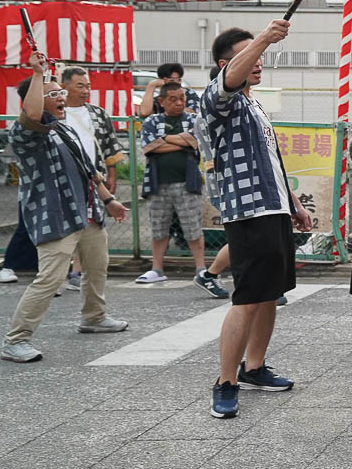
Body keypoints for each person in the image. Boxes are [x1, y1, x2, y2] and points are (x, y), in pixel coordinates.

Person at [203, 23, 312, 418]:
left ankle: (254, 367)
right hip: (249, 211)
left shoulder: (254, 105)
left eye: (260, 53)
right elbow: (229, 82)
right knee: (247, 298)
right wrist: (265, 37)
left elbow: (272, 161)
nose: (259, 61)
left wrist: (294, 203)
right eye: (249, 54)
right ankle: (225, 381)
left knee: (269, 294)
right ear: (224, 64)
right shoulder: (219, 99)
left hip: (274, 207)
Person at [0, 53, 130, 363]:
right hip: (55, 215)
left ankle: (94, 317)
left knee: (97, 266)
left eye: (60, 92)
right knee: (51, 278)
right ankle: (16, 340)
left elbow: (89, 170)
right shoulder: (25, 134)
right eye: (53, 94)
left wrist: (108, 199)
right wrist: (37, 74)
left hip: (86, 212)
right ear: (34, 99)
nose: (61, 97)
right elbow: (32, 113)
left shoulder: (64, 129)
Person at [59, 66, 126, 291]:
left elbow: (109, 145)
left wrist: (112, 174)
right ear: (64, 87)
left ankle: (77, 271)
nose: (85, 91)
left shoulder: (97, 113)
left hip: (93, 179)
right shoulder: (57, 114)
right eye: (80, 86)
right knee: (66, 227)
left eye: (87, 86)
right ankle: (61, 273)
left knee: (89, 222)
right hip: (63, 179)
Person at [135, 82, 208, 285]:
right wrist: (182, 143)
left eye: (181, 99)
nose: (179, 103)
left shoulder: (193, 119)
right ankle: (156, 269)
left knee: (193, 228)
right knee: (159, 228)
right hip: (157, 183)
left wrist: (164, 138)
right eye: (173, 99)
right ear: (162, 101)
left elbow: (195, 142)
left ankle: (201, 269)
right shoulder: (152, 120)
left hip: (187, 182)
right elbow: (149, 147)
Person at [193, 65, 233, 300]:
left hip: (238, 184)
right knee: (244, 237)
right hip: (225, 184)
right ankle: (210, 274)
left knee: (248, 237)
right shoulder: (211, 112)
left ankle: (211, 274)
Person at [136, 61, 200, 118]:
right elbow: (144, 112)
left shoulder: (189, 93)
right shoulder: (160, 98)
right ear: (162, 81)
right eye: (172, 80)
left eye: (178, 80)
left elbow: (191, 112)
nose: (176, 83)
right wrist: (151, 85)